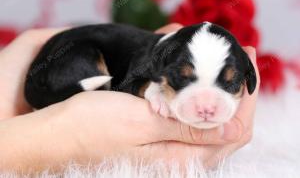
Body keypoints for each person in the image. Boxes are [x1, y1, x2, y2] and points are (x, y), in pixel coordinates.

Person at [0, 23, 260, 173]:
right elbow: (131, 82)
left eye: (230, 83)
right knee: (93, 65)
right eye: (183, 79)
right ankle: (66, 91)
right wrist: (149, 89)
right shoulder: (152, 61)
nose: (206, 106)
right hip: (67, 63)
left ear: (248, 78)